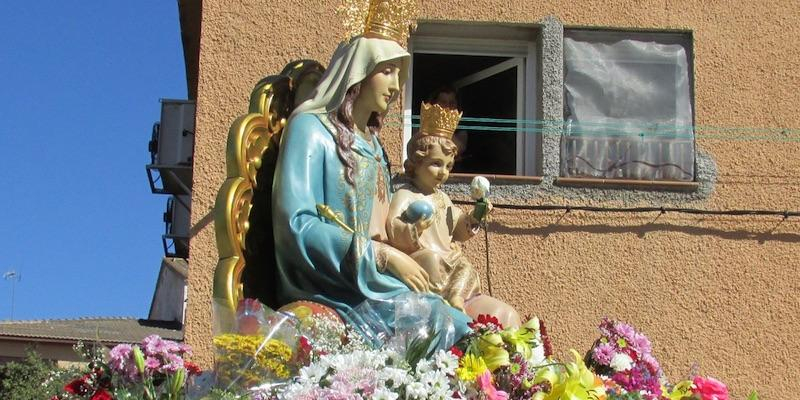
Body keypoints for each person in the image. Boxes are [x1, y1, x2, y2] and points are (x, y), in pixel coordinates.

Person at [270, 3, 471, 347]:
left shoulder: (376, 149)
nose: (396, 86)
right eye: (388, 71)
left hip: (373, 280)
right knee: (438, 322)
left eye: (399, 74)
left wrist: (407, 244)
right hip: (329, 282)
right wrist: (380, 255)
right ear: (358, 72)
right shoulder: (311, 130)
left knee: (465, 321)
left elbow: (383, 230)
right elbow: (296, 224)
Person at [387, 102, 522, 328]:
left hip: (448, 258)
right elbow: (393, 227)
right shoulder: (406, 194)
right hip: (420, 259)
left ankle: (456, 296)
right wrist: (414, 227)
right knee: (432, 259)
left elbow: (457, 228)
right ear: (416, 163)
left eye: (448, 166)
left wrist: (476, 214)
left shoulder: (443, 198)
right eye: (436, 164)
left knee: (465, 266)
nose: (443, 172)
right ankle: (440, 300)